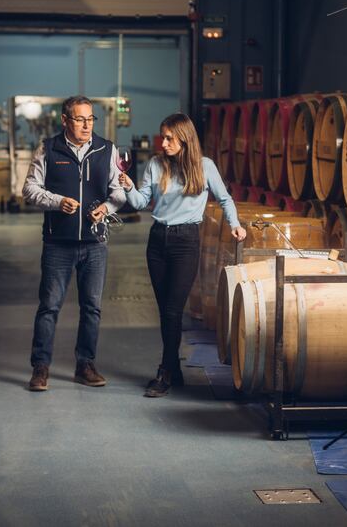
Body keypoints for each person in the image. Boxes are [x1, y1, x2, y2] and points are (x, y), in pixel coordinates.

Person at [119, 113, 246, 398]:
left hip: (186, 241)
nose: (163, 143)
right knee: (165, 310)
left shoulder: (205, 166)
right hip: (157, 241)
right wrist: (128, 186)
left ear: (184, 139)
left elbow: (224, 198)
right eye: (162, 137)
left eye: (169, 138)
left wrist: (235, 225)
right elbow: (141, 202)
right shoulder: (155, 164)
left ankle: (165, 371)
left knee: (174, 310)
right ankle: (173, 369)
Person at [23, 95, 125, 391]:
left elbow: (118, 191)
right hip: (58, 243)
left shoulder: (107, 149)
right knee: (49, 306)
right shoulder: (48, 148)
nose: (86, 125)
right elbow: (29, 189)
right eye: (80, 119)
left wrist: (107, 208)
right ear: (65, 120)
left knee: (92, 307)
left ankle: (85, 365)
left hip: (95, 243)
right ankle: (40, 368)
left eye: (91, 118)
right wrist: (56, 202)